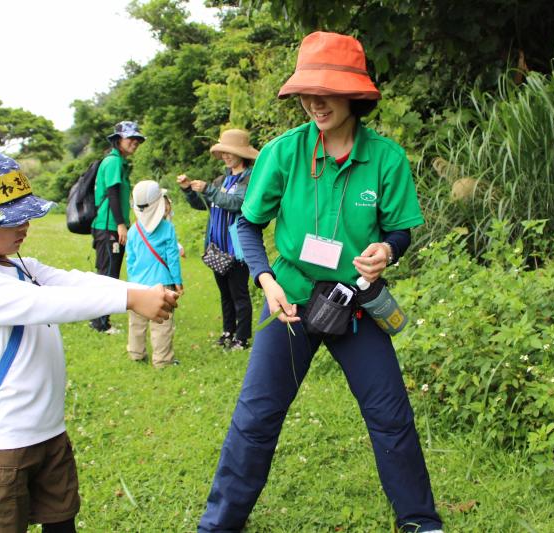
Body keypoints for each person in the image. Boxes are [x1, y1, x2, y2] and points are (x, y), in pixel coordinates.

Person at [197, 32, 444, 532]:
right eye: (306, 91)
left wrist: (387, 250)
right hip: (287, 297)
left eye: (325, 90)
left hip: (355, 302)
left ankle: (421, 522)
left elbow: (399, 228)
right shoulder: (283, 153)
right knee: (256, 418)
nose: (313, 101)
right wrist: (265, 279)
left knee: (390, 416)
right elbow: (247, 224)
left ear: (354, 93)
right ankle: (218, 525)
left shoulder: (386, 158)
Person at [0, 149, 178, 533]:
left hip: (48, 431)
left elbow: (71, 280)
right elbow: (48, 302)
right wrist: (130, 299)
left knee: (61, 521)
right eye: (8, 220)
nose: (24, 225)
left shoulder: (16, 264)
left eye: (25, 214)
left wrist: (140, 288)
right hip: (2, 444)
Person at [176, 128, 259, 350]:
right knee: (224, 293)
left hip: (236, 250)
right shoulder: (221, 179)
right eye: (223, 152)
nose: (225, 156)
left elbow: (236, 204)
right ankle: (227, 332)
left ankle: (242, 338)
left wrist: (209, 190)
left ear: (242, 153)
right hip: (216, 248)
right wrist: (189, 191)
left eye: (230, 152)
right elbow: (202, 205)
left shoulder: (249, 179)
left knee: (239, 295)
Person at [89, 120, 145, 333]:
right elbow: (112, 194)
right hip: (109, 226)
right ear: (117, 140)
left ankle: (100, 319)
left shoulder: (117, 161)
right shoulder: (113, 162)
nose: (134, 143)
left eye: (137, 140)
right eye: (130, 138)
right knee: (108, 274)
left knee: (108, 272)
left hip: (111, 225)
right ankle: (100, 323)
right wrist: (121, 224)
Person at [126, 180, 183, 367]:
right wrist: (177, 281)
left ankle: (136, 353)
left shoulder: (133, 230)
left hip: (137, 285)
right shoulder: (168, 229)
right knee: (162, 323)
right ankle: (162, 360)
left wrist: (132, 281)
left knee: (137, 322)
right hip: (163, 284)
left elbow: (131, 260)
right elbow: (172, 258)